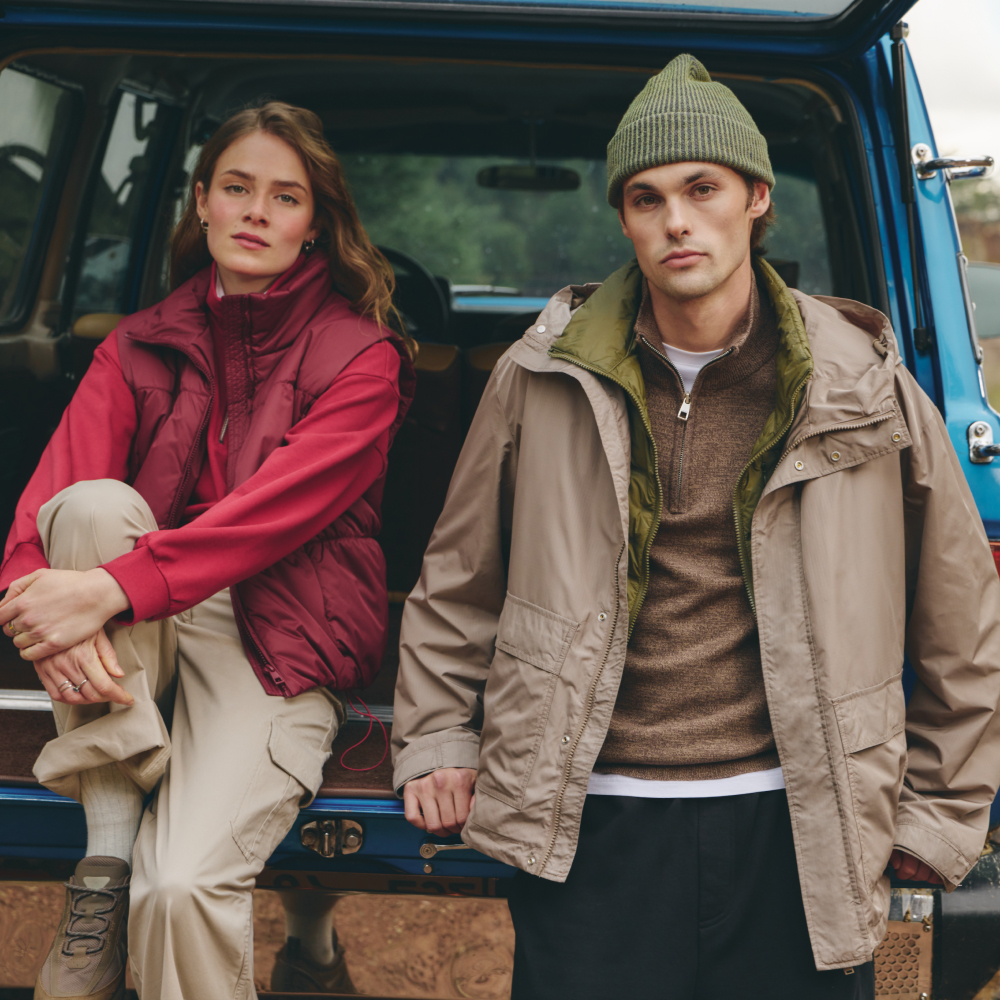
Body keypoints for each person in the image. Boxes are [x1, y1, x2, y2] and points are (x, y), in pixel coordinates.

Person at [391, 54, 1000, 999]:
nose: (676, 220)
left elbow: (963, 613)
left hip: (799, 821)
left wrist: (941, 810)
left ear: (757, 198)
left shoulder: (862, 380)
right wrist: (436, 738)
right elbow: (458, 578)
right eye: (647, 198)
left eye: (702, 188)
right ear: (624, 220)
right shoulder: (542, 374)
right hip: (590, 820)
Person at [0, 101, 414, 1000]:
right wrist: (40, 610)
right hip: (131, 629)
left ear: (315, 224)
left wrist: (98, 594)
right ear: (201, 201)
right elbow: (38, 522)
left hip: (276, 635)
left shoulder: (364, 358)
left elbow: (271, 516)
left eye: (285, 197)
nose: (257, 212)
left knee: (182, 889)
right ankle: (106, 858)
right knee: (94, 506)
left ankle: (146, 880)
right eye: (237, 188)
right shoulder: (135, 344)